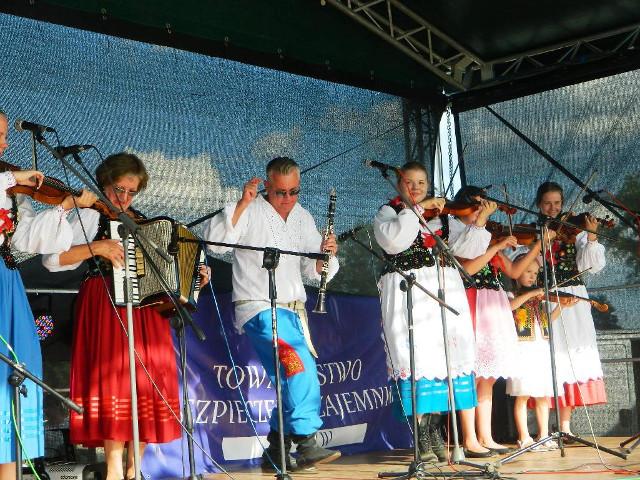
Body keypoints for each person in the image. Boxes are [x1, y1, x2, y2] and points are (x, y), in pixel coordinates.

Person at [42, 152, 206, 480]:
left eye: (132, 191)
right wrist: (98, 247)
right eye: (119, 189)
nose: (125, 197)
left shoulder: (143, 221)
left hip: (146, 311)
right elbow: (52, 260)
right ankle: (115, 470)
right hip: (106, 301)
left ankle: (135, 470)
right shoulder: (90, 214)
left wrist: (195, 277)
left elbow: (166, 273)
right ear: (104, 184)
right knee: (115, 382)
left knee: (145, 384)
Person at [203, 156, 341, 471]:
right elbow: (216, 245)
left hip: (293, 311)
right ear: (267, 186)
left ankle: (276, 448)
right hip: (259, 306)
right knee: (297, 366)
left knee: (288, 376)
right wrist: (242, 203)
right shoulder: (250, 210)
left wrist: (326, 256)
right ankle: (306, 441)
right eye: (281, 192)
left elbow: (312, 269)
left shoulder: (303, 217)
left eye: (294, 192)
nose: (288, 199)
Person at [0, 109, 96, 480]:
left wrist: (63, 208)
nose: (4, 144)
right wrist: (11, 177)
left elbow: (27, 241)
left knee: (19, 368)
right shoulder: (8, 179)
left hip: (7, 280)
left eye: (5, 136)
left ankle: (9, 470)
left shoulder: (12, 189)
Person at [373, 162, 489, 463]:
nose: (416, 188)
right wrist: (417, 209)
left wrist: (479, 221)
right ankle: (420, 432)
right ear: (399, 184)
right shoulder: (389, 212)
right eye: (409, 182)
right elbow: (394, 242)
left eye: (421, 183)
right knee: (417, 359)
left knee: (445, 360)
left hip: (444, 290)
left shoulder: (444, 217)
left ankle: (436, 428)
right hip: (409, 291)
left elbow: (469, 250)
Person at [450, 185, 545, 454]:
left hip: (494, 304)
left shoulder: (487, 238)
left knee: (488, 377)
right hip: (473, 301)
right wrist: (496, 246)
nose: (481, 212)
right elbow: (467, 269)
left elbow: (514, 271)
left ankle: (486, 436)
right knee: (471, 374)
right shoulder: (458, 235)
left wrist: (538, 245)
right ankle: (469, 438)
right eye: (477, 206)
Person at [534, 181, 607, 435]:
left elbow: (591, 267)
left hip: (574, 297)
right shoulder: (532, 231)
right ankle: (544, 430)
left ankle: (565, 427)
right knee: (549, 356)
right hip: (546, 296)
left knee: (572, 355)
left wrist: (592, 236)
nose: (553, 208)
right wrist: (541, 242)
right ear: (539, 205)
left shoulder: (575, 231)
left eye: (557, 203)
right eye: (547, 203)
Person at [507, 253, 578, 451]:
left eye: (535, 273)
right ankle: (524, 437)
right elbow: (508, 308)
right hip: (522, 350)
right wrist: (530, 295)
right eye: (528, 272)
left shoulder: (539, 299)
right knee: (522, 394)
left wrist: (562, 306)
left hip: (541, 350)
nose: (532, 276)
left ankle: (543, 435)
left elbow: (548, 320)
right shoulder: (511, 294)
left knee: (542, 395)